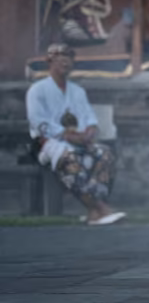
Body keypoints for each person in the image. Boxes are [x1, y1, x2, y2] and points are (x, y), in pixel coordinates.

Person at [26, 44, 125, 226]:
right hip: (48, 143)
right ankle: (100, 208)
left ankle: (95, 212)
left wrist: (90, 132)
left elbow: (90, 118)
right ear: (50, 61)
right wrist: (66, 135)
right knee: (69, 158)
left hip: (79, 141)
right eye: (60, 57)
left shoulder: (78, 91)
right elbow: (38, 122)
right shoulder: (37, 90)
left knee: (105, 153)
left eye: (69, 57)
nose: (65, 61)